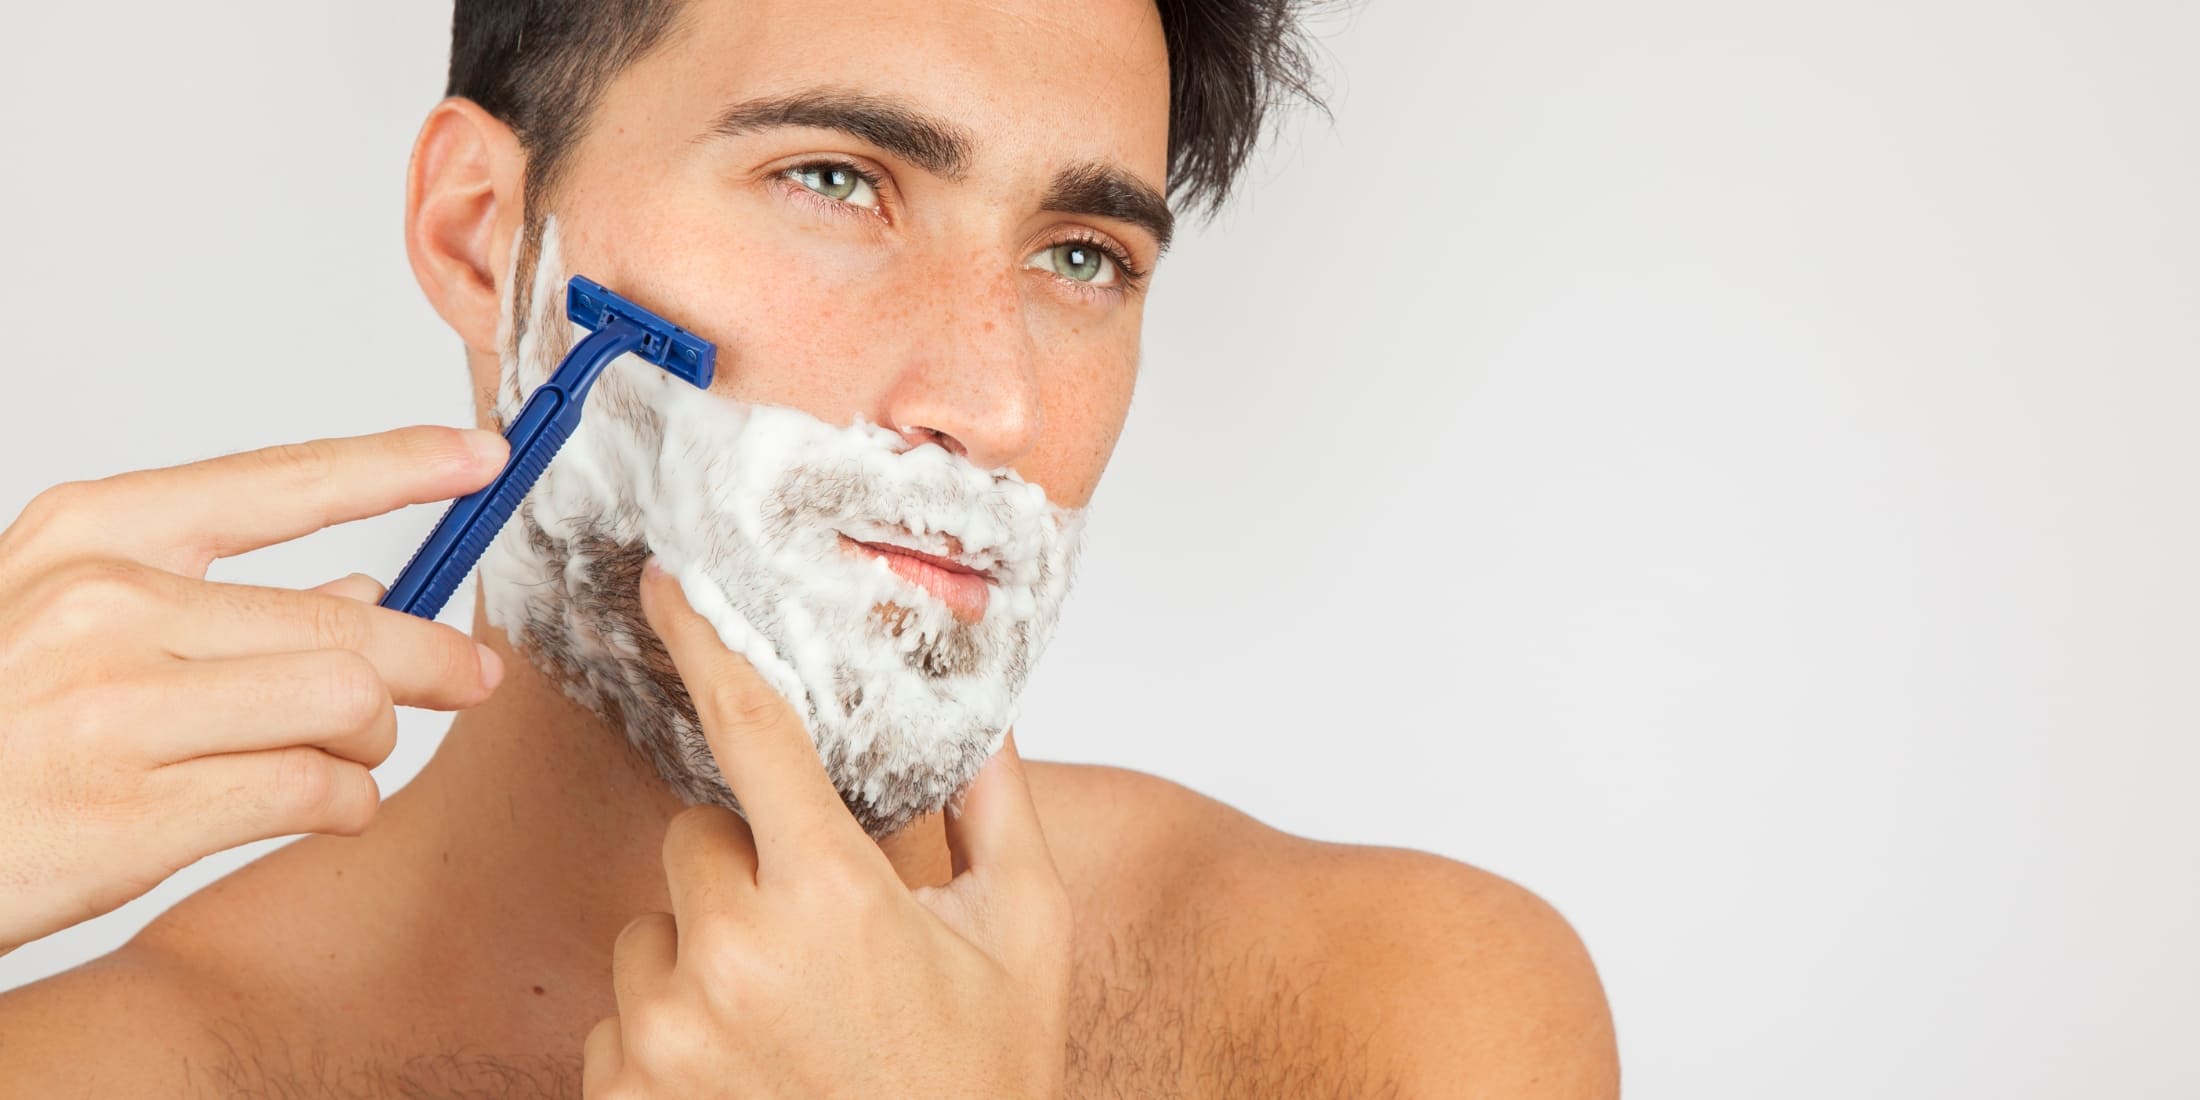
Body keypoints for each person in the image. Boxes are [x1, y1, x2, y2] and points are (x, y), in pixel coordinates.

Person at [0, 1, 1619, 1095]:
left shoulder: (1388, 1011)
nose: (989, 401)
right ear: (483, 237)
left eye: (1081, 254)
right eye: (838, 179)